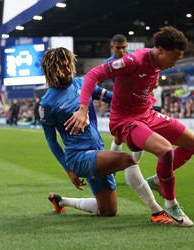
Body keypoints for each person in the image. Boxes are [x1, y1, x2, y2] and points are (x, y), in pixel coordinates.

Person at [66, 26, 194, 227]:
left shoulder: (158, 64)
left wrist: (148, 98)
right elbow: (92, 75)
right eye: (174, 58)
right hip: (124, 121)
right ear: (159, 50)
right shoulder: (133, 60)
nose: (174, 64)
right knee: (165, 151)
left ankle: (157, 181)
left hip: (147, 115)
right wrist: (83, 108)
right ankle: (171, 203)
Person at [40, 47, 173, 225]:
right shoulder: (47, 104)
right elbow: (51, 140)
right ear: (51, 70)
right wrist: (68, 168)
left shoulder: (81, 84)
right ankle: (157, 211)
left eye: (68, 65)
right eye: (61, 67)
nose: (67, 70)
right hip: (78, 157)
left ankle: (61, 201)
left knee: (108, 211)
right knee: (128, 160)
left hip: (97, 152)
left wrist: (137, 94)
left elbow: (113, 97)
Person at [104, 34, 144, 166]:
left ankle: (133, 168)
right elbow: (96, 79)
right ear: (112, 47)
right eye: (118, 48)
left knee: (141, 136)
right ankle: (113, 167)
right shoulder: (108, 64)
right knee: (119, 138)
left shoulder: (136, 58)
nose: (121, 51)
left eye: (123, 47)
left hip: (138, 103)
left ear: (127, 46)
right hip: (120, 105)